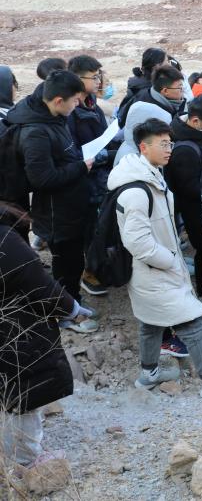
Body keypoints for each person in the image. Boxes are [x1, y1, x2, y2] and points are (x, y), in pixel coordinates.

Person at [107, 118, 202, 401]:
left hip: (153, 271)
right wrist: (169, 260)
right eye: (163, 144)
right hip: (155, 271)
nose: (169, 150)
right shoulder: (136, 191)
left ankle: (149, 375)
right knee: (193, 322)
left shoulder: (151, 176)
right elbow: (137, 242)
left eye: (170, 144)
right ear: (144, 147)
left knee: (151, 323)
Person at [5, 71, 96, 327]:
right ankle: (65, 313)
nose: (77, 105)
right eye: (75, 100)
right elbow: (42, 179)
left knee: (74, 260)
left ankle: (72, 301)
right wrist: (81, 167)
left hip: (70, 205)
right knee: (65, 264)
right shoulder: (35, 132)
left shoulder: (51, 114)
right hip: (57, 213)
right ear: (58, 100)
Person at [0, 201, 82, 467]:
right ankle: (25, 462)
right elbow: (39, 285)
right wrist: (71, 308)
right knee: (23, 393)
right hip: (16, 332)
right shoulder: (5, 240)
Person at [166, 94, 202, 313]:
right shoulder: (185, 149)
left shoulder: (192, 134)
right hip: (196, 210)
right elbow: (189, 188)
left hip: (201, 206)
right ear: (194, 121)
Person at [67, 55, 114, 298]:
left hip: (100, 175)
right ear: (77, 78)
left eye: (99, 76)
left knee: (101, 225)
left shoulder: (92, 102)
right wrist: (107, 155)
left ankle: (99, 264)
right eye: (94, 77)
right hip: (84, 177)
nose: (99, 81)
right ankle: (89, 272)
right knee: (90, 228)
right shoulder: (70, 109)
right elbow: (73, 152)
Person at [116, 64, 186, 128]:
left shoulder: (151, 93)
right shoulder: (157, 116)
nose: (183, 90)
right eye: (180, 88)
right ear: (165, 91)